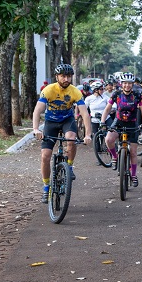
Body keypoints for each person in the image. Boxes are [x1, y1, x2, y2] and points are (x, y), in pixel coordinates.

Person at [32, 64, 93, 203]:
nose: (66, 79)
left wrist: (88, 134)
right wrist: (36, 129)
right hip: (51, 122)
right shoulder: (49, 90)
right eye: (63, 76)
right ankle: (46, 186)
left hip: (67, 120)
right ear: (57, 77)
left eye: (68, 76)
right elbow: (37, 111)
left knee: (71, 139)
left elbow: (84, 114)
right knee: (45, 156)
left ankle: (69, 166)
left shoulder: (75, 92)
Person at [100, 72, 142, 187]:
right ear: (121, 84)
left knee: (133, 152)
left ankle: (134, 174)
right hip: (118, 122)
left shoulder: (137, 95)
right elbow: (107, 109)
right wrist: (102, 121)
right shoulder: (116, 94)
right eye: (125, 83)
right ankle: (115, 157)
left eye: (129, 83)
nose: (127, 85)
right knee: (108, 140)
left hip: (132, 124)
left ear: (132, 84)